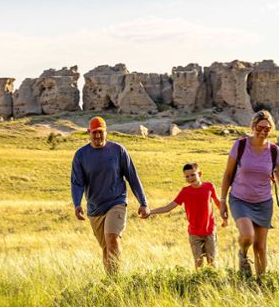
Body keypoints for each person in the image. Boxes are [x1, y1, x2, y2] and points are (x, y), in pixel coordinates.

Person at [220, 110, 279, 277]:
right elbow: (227, 174)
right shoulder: (240, 145)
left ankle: (261, 283)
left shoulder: (274, 151)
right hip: (240, 199)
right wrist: (223, 200)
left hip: (263, 202)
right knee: (247, 235)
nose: (263, 131)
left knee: (260, 247)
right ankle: (243, 254)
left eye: (267, 128)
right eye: (260, 127)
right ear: (253, 126)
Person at [71, 116, 149, 274]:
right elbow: (77, 183)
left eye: (101, 132)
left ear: (106, 132)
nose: (98, 136)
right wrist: (77, 204)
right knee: (106, 248)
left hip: (116, 202)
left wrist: (143, 202)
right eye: (94, 133)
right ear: (88, 132)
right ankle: (111, 283)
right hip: (94, 209)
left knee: (112, 240)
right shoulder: (81, 155)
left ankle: (118, 279)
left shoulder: (118, 151)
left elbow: (132, 177)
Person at [148, 162, 226, 268]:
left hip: (210, 232)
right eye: (187, 176)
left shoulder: (209, 186)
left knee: (211, 262)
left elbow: (217, 202)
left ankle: (212, 282)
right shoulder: (185, 192)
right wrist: (150, 212)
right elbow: (168, 207)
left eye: (192, 175)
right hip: (194, 234)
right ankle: (198, 282)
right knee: (198, 263)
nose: (190, 178)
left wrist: (224, 217)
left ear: (200, 173)